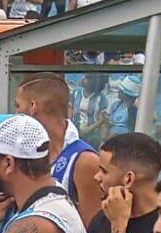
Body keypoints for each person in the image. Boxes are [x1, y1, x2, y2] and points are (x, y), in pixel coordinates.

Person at [17, 74, 104, 222]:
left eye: (18, 106)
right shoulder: (23, 154)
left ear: (33, 107)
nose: (16, 114)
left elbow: (92, 231)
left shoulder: (84, 161)